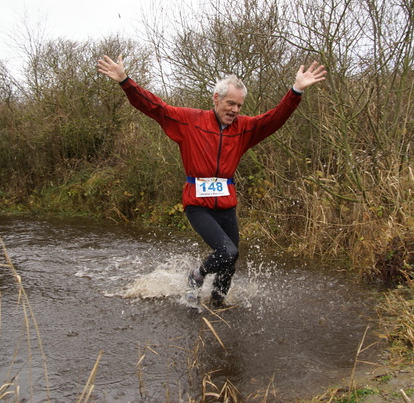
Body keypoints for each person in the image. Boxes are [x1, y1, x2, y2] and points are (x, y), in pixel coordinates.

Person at [97, 54, 326, 309]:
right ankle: (197, 275)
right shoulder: (189, 121)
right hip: (198, 204)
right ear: (216, 99)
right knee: (227, 251)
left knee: (231, 260)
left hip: (226, 204)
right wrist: (125, 81)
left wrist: (295, 91)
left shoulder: (244, 128)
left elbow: (274, 118)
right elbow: (155, 107)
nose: (235, 110)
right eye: (230, 104)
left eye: (239, 105)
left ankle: (218, 304)